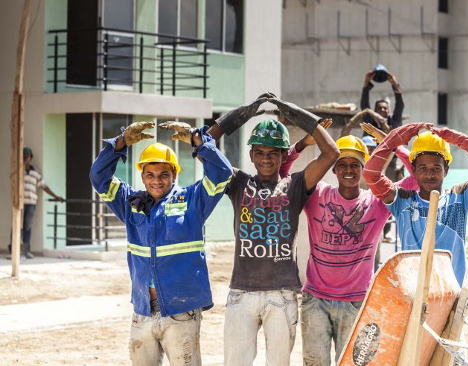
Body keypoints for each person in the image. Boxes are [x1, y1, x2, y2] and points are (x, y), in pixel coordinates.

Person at [208, 96, 339, 366]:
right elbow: (205, 145)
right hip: (241, 293)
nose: (266, 159)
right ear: (251, 155)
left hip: (282, 294)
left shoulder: (296, 185)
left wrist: (292, 111)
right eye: (260, 153)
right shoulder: (237, 183)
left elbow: (331, 153)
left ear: (283, 155)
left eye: (273, 153)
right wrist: (243, 113)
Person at [90, 121, 232, 365]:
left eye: (164, 174)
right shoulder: (131, 203)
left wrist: (199, 140)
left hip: (181, 312)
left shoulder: (193, 200)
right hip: (143, 313)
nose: (157, 181)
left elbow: (222, 173)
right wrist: (121, 141)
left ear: (174, 174)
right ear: (142, 177)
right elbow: (99, 177)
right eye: (150, 175)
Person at [278, 122, 418, 365]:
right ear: (333, 169)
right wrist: (302, 144)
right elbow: (282, 173)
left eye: (355, 164)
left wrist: (392, 144)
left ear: (364, 169)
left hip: (357, 302)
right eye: (342, 164)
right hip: (315, 301)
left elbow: (416, 177)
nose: (348, 169)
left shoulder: (378, 201)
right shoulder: (317, 193)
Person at [362, 123, 468, 285]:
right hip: (412, 292)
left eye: (436, 168)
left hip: (451, 295)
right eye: (423, 167)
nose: (429, 174)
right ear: (413, 171)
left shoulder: (458, 197)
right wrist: (394, 140)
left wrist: (458, 139)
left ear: (446, 170)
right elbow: (371, 175)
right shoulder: (402, 201)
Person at [8, 147, 65, 259]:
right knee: (16, 226)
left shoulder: (36, 172)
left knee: (27, 227)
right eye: (23, 156)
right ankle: (13, 251)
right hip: (18, 202)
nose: (25, 158)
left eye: (27, 156)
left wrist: (56, 196)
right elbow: (12, 179)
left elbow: (43, 186)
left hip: (31, 203)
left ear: (30, 158)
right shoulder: (17, 170)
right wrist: (21, 167)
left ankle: (26, 251)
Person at [360, 65, 404, 131]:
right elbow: (364, 105)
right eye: (379, 108)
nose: (382, 110)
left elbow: (399, 106)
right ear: (375, 111)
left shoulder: (394, 122)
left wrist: (395, 84)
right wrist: (366, 83)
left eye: (385, 108)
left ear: (389, 111)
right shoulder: (370, 122)